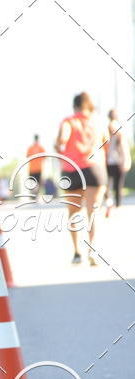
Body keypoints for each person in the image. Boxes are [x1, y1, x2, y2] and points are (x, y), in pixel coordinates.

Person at [54, 92, 106, 265]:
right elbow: (105, 142)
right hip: (94, 168)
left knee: (73, 213)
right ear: (89, 107)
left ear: (75, 106)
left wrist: (61, 151)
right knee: (93, 211)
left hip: (72, 170)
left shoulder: (68, 121)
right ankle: (92, 250)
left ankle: (76, 252)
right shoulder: (98, 122)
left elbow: (62, 140)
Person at [104, 109, 131, 216]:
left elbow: (122, 146)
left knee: (112, 185)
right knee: (112, 185)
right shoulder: (113, 129)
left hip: (114, 161)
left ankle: (114, 204)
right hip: (114, 161)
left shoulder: (117, 130)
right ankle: (114, 204)